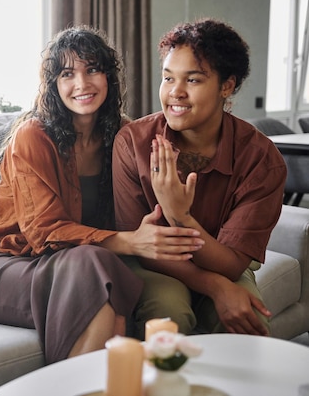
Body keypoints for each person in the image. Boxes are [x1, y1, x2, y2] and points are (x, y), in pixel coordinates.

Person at [0, 25, 205, 364]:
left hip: (71, 264)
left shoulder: (121, 135)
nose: (82, 84)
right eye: (67, 74)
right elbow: (44, 231)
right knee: (95, 266)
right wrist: (129, 241)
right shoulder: (33, 136)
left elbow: (144, 202)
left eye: (92, 69)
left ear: (109, 77)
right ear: (54, 84)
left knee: (100, 271)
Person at [112, 18, 287, 339]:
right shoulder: (132, 142)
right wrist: (215, 285)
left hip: (224, 263)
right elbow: (137, 243)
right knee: (169, 313)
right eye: (168, 78)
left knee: (250, 325)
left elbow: (233, 264)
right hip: (152, 265)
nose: (175, 92)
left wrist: (180, 216)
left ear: (227, 86)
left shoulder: (261, 159)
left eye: (192, 80)